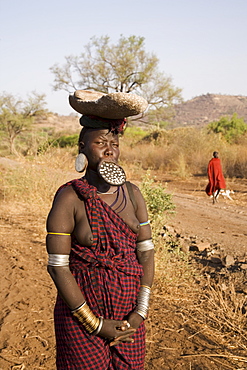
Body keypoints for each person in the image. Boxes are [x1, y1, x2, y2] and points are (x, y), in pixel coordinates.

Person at [46, 90, 154, 370]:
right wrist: (95, 324)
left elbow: (146, 255)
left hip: (129, 315)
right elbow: (58, 267)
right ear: (82, 147)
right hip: (81, 318)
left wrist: (139, 313)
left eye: (114, 143)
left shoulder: (132, 195)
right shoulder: (70, 197)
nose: (109, 150)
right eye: (100, 143)